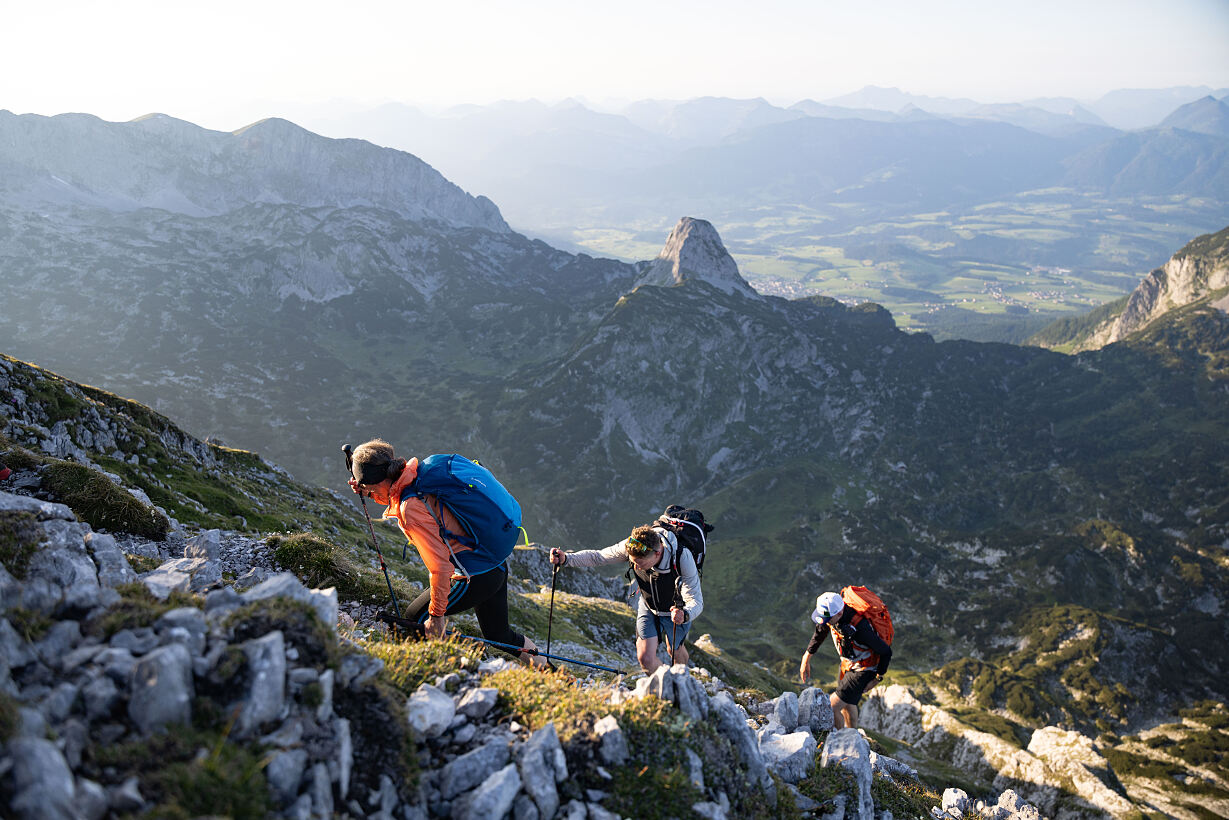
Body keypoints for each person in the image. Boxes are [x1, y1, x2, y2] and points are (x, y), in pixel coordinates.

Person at [347, 439, 543, 666]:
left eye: (369, 488)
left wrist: (437, 616)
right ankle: (557, 677)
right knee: (500, 636)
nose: (368, 492)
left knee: (415, 619)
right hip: (493, 562)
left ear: (375, 480)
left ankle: (424, 672)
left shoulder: (410, 508)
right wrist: (371, 490)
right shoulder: (419, 475)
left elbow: (440, 567)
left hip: (474, 575)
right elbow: (390, 492)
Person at [550, 523, 702, 674]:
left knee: (674, 649)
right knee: (645, 659)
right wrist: (567, 559)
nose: (636, 568)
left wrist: (685, 614)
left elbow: (696, 600)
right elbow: (599, 557)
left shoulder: (682, 558)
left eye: (641, 563)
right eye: (633, 562)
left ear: (657, 553)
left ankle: (682, 680)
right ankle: (666, 685)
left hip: (676, 610)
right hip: (648, 606)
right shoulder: (632, 545)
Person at [799, 590, 893, 729]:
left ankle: (839, 741)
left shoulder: (860, 629)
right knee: (847, 704)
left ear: (839, 613)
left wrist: (877, 678)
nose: (824, 623)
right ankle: (852, 736)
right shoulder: (832, 615)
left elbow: (886, 651)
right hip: (848, 663)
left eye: (827, 620)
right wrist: (806, 657)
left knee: (831, 707)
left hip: (864, 669)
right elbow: (821, 630)